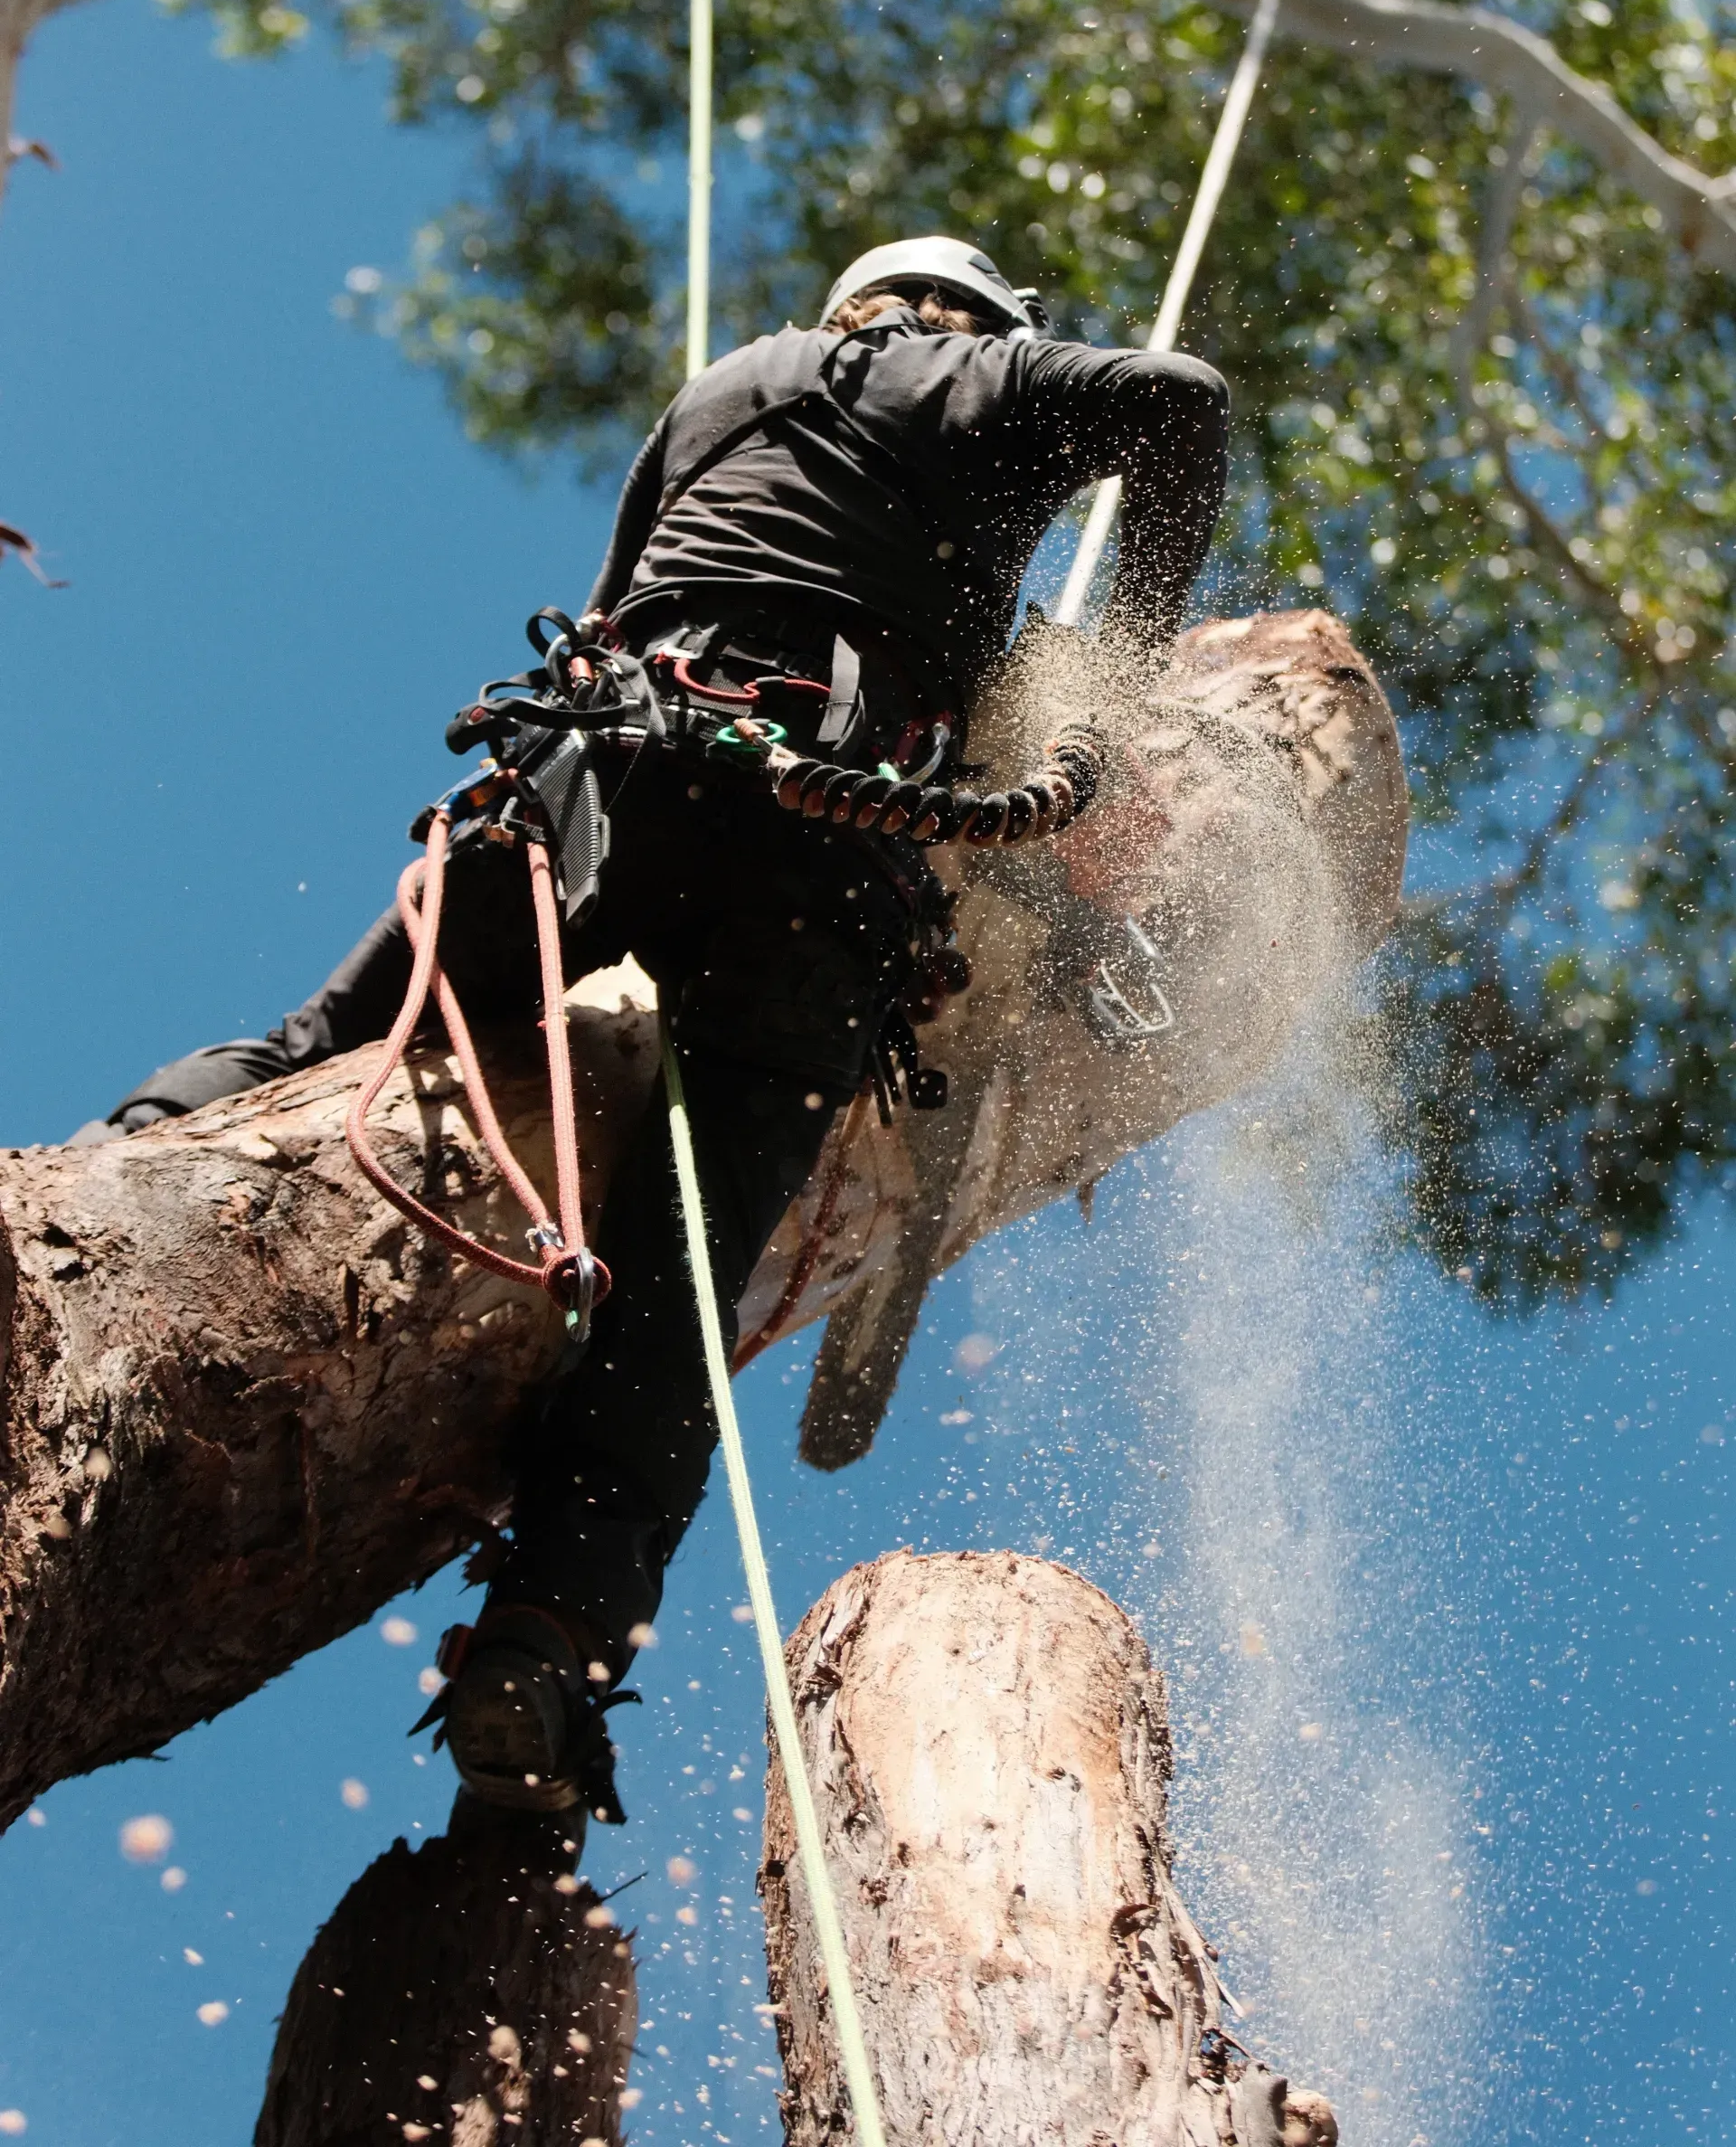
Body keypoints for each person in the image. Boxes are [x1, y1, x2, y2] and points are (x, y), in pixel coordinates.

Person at [79, 236, 1229, 1826]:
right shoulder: (958, 369)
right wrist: (1116, 689)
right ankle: (547, 1642)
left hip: (585, 791)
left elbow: (649, 604)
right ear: (965, 320)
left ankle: (110, 1166)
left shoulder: (718, 396)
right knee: (675, 1303)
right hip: (808, 867)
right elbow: (1179, 405)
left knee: (324, 1039)